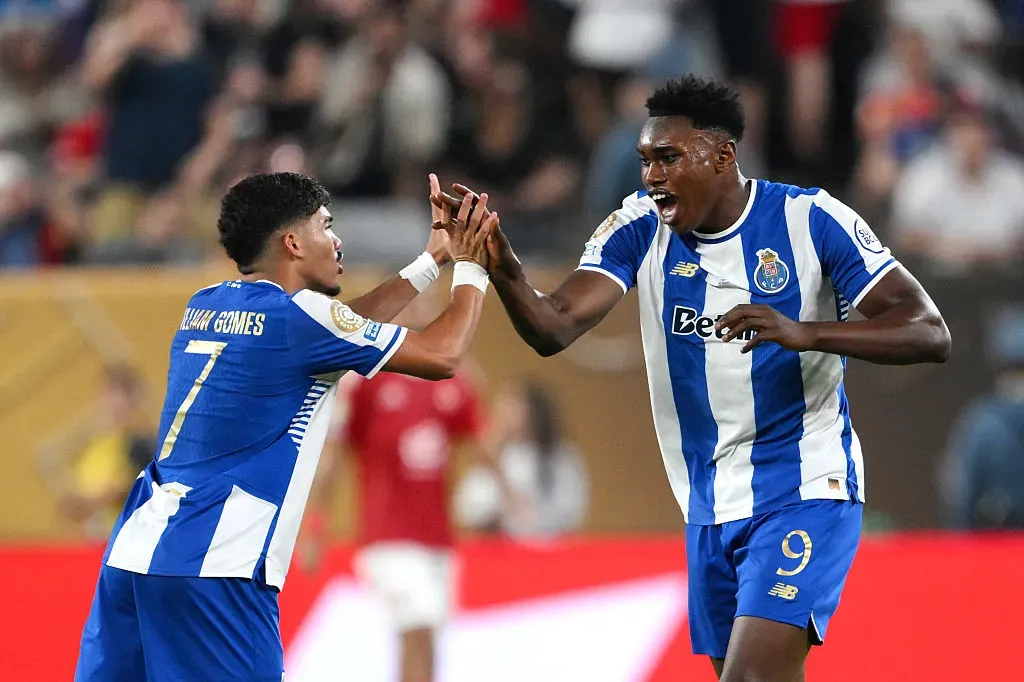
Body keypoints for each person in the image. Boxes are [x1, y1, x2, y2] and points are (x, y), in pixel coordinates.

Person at [435, 75, 951, 680]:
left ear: (722, 156)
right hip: (707, 504)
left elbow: (927, 330)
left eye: (668, 158)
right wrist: (503, 264)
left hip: (804, 486)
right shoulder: (639, 226)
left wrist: (806, 332)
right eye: (645, 160)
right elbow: (554, 325)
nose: (652, 176)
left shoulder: (809, 219)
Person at [74, 171, 498, 681]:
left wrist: (432, 262)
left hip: (135, 553)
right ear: (293, 242)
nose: (338, 239)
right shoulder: (301, 321)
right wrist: (473, 267)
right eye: (327, 225)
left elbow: (336, 331)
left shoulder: (206, 301)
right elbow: (443, 354)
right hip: (219, 565)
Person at [300, 291, 489, 682]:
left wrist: (516, 497)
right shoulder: (366, 378)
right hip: (387, 538)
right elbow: (334, 456)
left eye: (423, 301)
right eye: (409, 301)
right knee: (416, 628)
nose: (417, 309)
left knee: (430, 640)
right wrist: (314, 526)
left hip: (437, 539)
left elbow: (476, 435)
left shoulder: (445, 373)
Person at [455, 380, 588, 540]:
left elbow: (569, 511)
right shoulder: (494, 458)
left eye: (513, 407)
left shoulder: (559, 457)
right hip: (497, 547)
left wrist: (530, 517)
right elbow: (468, 510)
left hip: (546, 548)